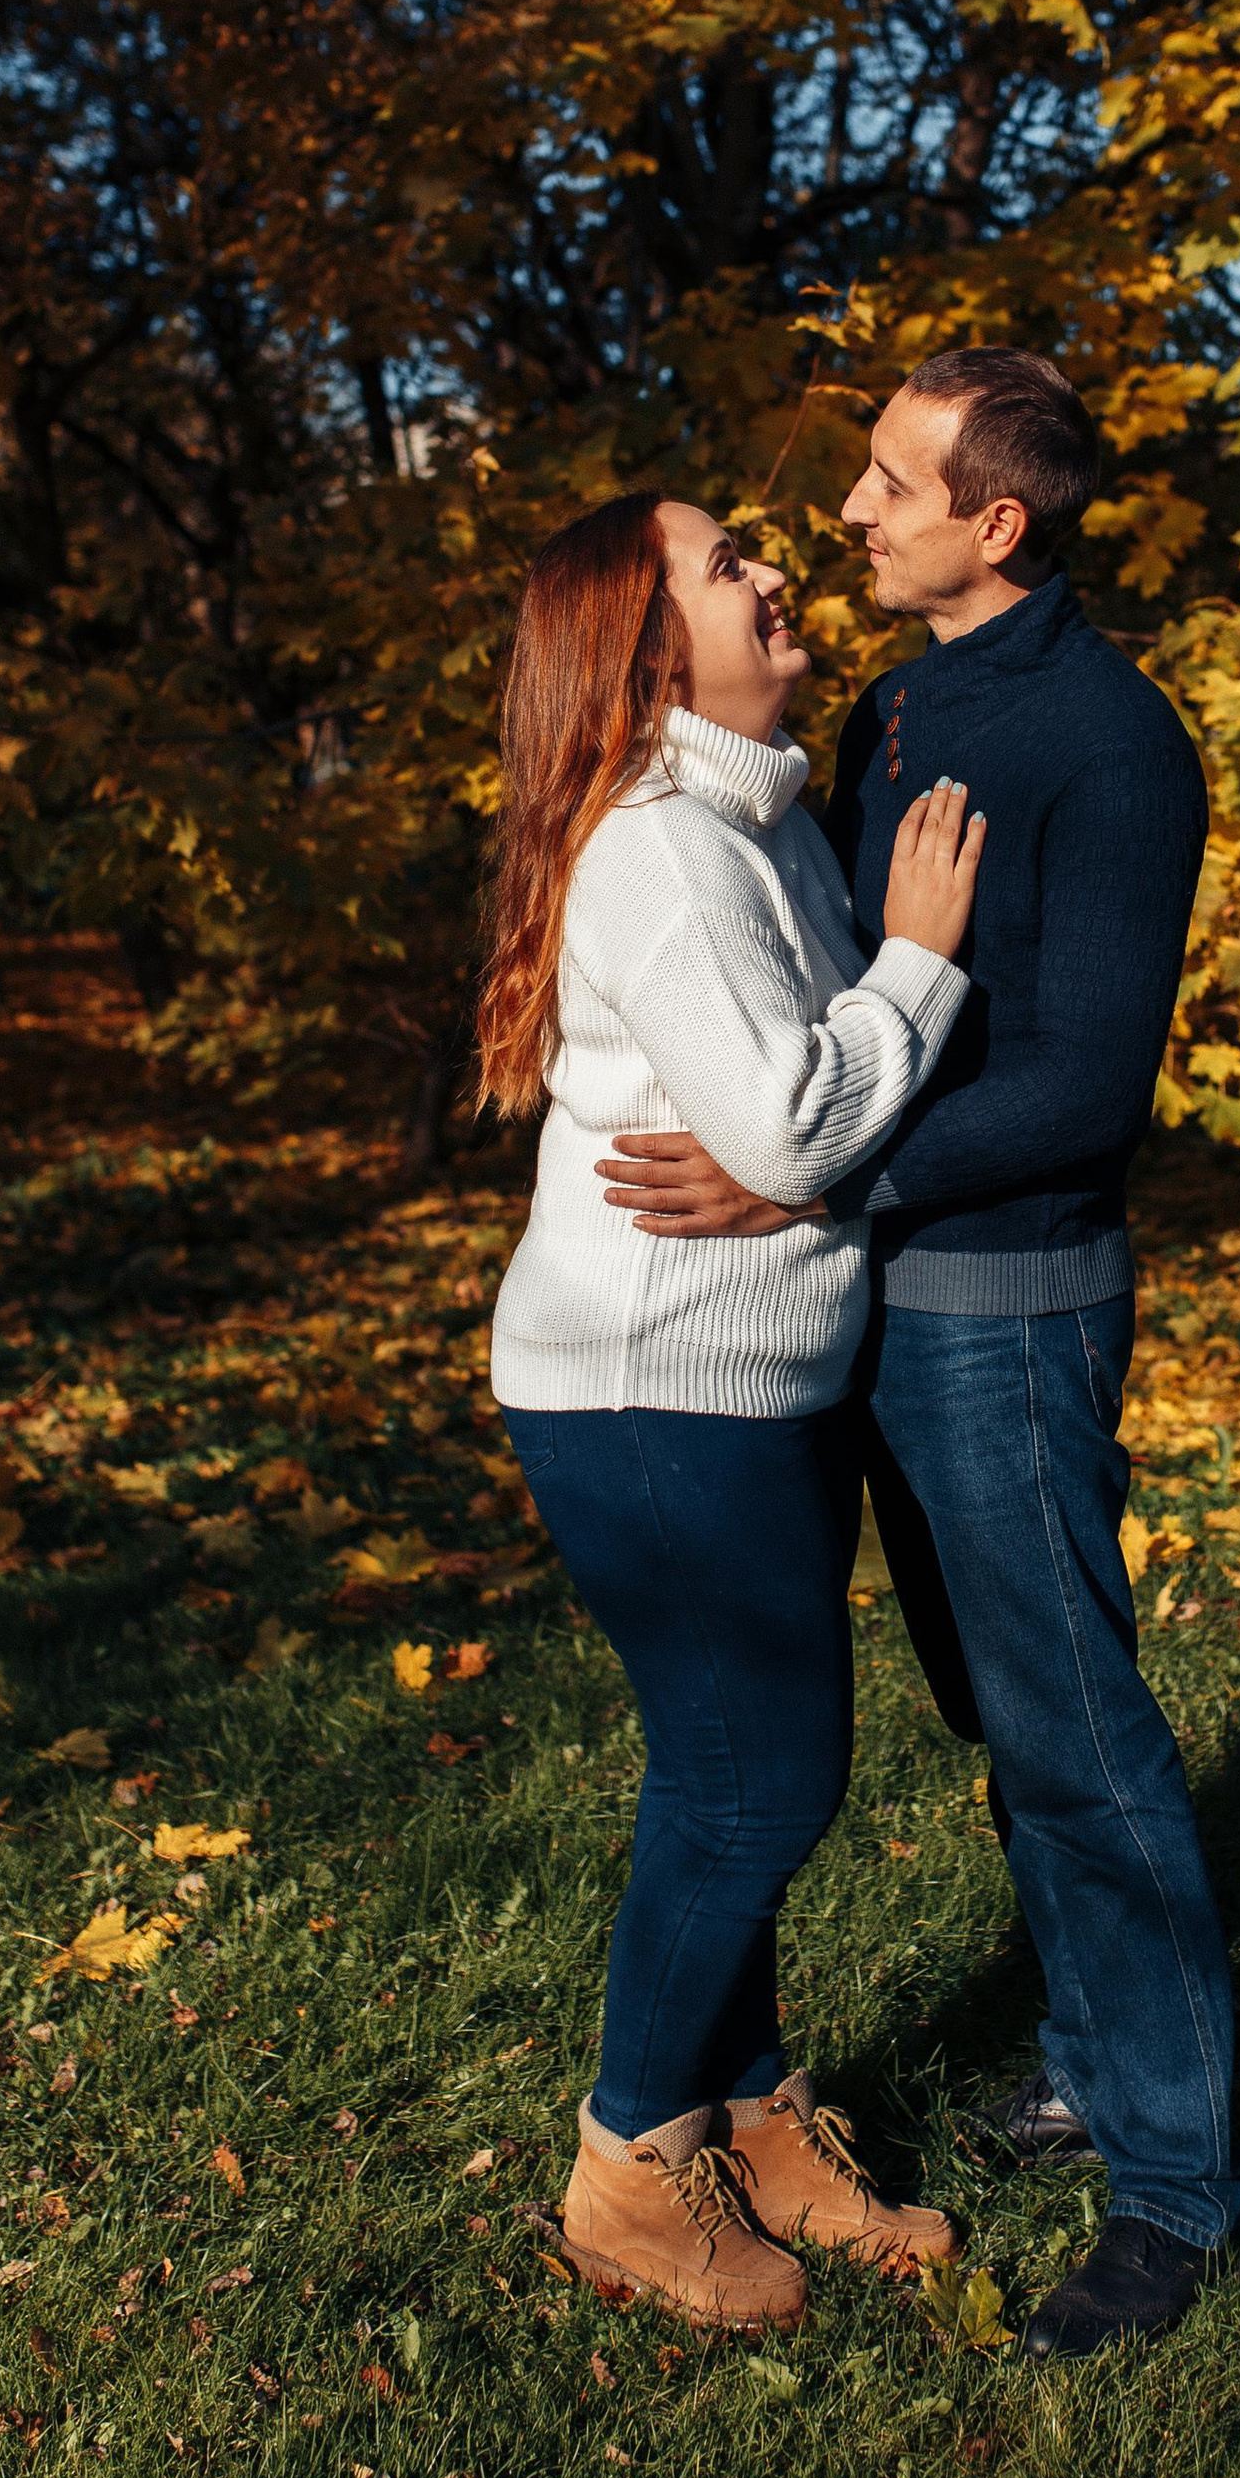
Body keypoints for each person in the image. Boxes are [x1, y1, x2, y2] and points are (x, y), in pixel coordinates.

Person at [594, 352, 1240, 2354]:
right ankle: (1091, 2055)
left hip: (1004, 1304)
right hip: (861, 1298)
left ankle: (1174, 2183)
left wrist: (809, 1181)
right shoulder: (897, 705)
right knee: (996, 1715)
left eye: (892, 483)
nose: (849, 513)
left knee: (1072, 1737)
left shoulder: (1107, 741)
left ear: (997, 523)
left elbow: (1084, 1092)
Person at [477, 485, 986, 2332]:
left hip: (748, 1379)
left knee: (727, 1759)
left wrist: (804, 1150)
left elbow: (791, 1139)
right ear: (645, 650)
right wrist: (917, 960)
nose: (772, 572)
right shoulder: (664, 851)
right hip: (653, 1390)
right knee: (760, 1778)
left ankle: (755, 2122)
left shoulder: (750, 828)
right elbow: (791, 1120)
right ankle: (631, 2169)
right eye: (724, 565)